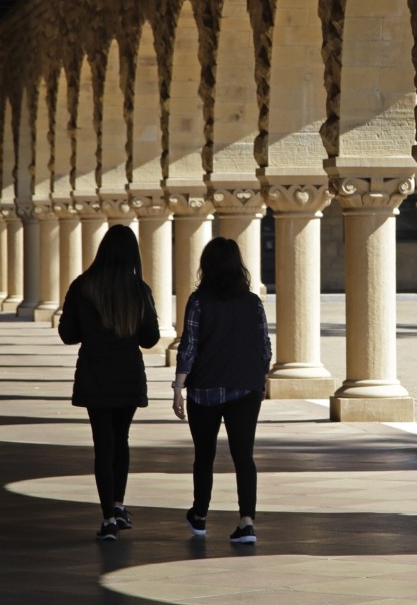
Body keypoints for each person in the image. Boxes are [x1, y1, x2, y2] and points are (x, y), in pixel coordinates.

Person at [58, 224, 160, 541]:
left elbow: (67, 334)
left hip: (95, 374)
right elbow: (150, 338)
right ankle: (118, 504)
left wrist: (91, 330)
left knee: (103, 445)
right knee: (121, 439)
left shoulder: (82, 286)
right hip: (127, 375)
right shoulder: (138, 289)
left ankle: (107, 519)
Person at [172, 237, 271, 543]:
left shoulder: (198, 301)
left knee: (204, 456)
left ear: (207, 265)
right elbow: (265, 347)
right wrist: (259, 380)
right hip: (245, 388)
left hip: (205, 389)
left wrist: (178, 387)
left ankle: (200, 515)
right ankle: (246, 521)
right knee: (244, 456)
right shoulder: (253, 302)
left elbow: (189, 346)